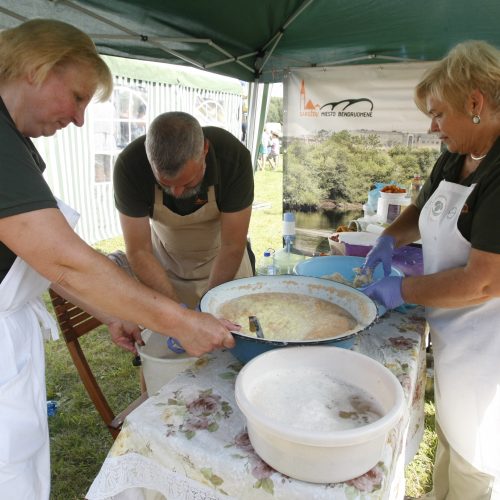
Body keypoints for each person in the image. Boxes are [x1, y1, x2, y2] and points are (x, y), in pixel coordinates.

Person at [0, 20, 236, 499]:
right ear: (38, 68)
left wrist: (110, 312)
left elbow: (38, 257)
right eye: (79, 96)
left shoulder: (16, 144)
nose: (81, 119)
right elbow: (66, 261)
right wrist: (180, 322)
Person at [362, 40, 500, 499]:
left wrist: (403, 290)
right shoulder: (457, 155)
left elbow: (483, 281)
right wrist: (389, 238)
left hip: (488, 348)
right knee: (451, 443)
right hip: (452, 333)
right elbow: (422, 208)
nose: (432, 126)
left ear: (475, 103)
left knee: (476, 461)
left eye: (439, 113)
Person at [113, 111, 254, 309]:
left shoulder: (232, 158)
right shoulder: (130, 166)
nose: (176, 193)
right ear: (148, 156)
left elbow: (232, 245)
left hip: (225, 263)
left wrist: (209, 306)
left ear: (204, 150)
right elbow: (139, 251)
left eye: (188, 183)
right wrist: (178, 312)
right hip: (165, 269)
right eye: (165, 184)